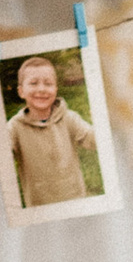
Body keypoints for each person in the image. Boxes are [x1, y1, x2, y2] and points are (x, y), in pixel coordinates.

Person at [8, 53, 98, 210]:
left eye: (48, 84)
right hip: (40, 208)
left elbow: (94, 140)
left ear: (55, 89)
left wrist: (101, 123)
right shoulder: (14, 128)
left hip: (76, 200)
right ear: (21, 91)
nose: (41, 89)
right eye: (34, 83)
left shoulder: (69, 118)